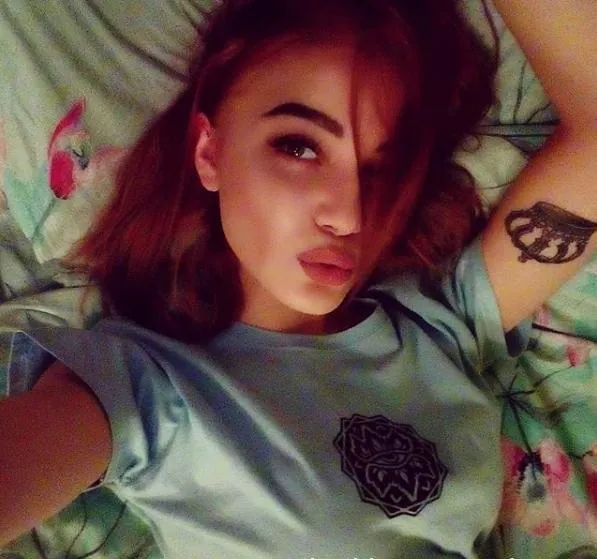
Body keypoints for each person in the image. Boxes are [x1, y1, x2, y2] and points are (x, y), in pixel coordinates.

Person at [1, 0, 596, 556]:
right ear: (209, 152)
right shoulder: (144, 388)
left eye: (382, 168)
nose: (350, 215)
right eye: (300, 147)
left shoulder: (441, 323)